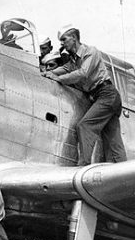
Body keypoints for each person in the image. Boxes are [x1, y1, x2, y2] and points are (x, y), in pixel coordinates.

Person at [42, 24, 127, 165]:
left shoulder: (91, 52)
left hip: (107, 94)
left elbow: (83, 73)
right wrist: (47, 74)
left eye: (64, 39)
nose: (62, 43)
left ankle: (83, 165)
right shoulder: (74, 59)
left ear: (74, 38)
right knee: (113, 142)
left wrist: (59, 79)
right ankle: (125, 173)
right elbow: (64, 68)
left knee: (85, 125)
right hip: (102, 97)